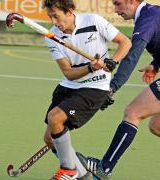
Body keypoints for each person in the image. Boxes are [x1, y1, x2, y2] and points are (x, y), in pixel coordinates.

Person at [41, 0, 131, 179]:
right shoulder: (51, 37)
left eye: (56, 16)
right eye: (50, 17)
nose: (54, 21)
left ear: (68, 11)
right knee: (50, 139)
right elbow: (69, 73)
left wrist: (113, 61)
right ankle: (83, 175)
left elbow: (125, 42)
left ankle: (68, 169)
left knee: (55, 118)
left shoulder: (93, 21)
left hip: (95, 87)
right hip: (69, 86)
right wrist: (90, 67)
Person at [76, 0, 160, 179]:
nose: (115, 10)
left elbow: (132, 56)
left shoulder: (148, 17)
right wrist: (155, 64)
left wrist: (111, 88)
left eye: (118, 4)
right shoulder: (152, 13)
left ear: (131, 1)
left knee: (133, 112)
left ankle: (104, 168)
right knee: (157, 125)